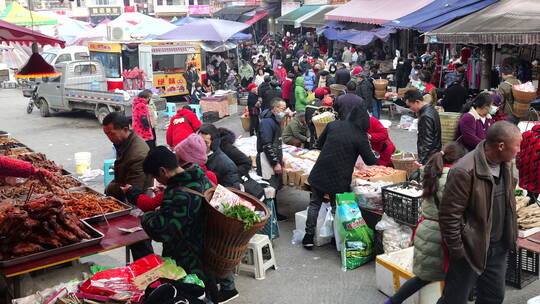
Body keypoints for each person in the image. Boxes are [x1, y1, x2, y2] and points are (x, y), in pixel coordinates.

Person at [138, 147, 239, 303]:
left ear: (163, 171)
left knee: (194, 297)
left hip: (189, 263)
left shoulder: (179, 194)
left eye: (155, 176)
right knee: (208, 295)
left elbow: (160, 231)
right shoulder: (200, 177)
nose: (158, 181)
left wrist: (147, 216)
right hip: (207, 253)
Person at [437, 121, 521, 304]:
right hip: (470, 248)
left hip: (498, 247)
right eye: (517, 145)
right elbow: (449, 216)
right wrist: (459, 250)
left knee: (493, 297)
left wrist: (510, 235)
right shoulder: (464, 171)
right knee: (455, 299)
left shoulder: (506, 165)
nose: (519, 150)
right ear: (501, 146)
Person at [384, 142, 466, 304]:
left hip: (426, 229)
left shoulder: (432, 172)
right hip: (441, 234)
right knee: (452, 278)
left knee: (424, 277)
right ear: (459, 160)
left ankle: (392, 301)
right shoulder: (452, 178)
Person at [303, 106, 377, 249]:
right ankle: (337, 238)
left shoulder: (333, 125)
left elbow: (319, 144)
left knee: (314, 204)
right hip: (340, 176)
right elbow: (370, 161)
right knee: (336, 207)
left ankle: (308, 237)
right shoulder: (360, 135)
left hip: (321, 170)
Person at [102, 112, 154, 260]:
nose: (109, 137)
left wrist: (110, 188)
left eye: (111, 133)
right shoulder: (123, 143)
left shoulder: (137, 153)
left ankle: (151, 278)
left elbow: (133, 188)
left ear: (125, 129)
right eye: (106, 134)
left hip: (138, 204)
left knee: (141, 248)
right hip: (128, 200)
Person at [257, 98, 287, 221]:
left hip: (273, 158)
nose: (284, 111)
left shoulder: (274, 121)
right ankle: (269, 214)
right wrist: (275, 162)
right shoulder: (266, 122)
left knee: (274, 187)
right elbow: (267, 144)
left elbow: (276, 143)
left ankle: (274, 213)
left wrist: (280, 158)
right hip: (266, 160)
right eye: (283, 109)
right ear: (274, 109)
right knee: (269, 187)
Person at [198, 124, 242, 189]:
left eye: (205, 142)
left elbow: (233, 190)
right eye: (199, 141)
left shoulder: (227, 165)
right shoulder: (195, 156)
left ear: (214, 144)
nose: (200, 145)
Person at [404, 90, 441, 164]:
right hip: (434, 153)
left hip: (430, 157)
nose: (410, 109)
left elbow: (427, 141)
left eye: (410, 106)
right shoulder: (431, 109)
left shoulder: (425, 116)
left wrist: (421, 160)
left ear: (417, 102)